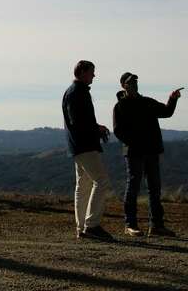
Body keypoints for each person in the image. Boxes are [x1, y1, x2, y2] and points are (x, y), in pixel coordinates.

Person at [112, 72, 182, 237]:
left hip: (151, 151)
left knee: (154, 189)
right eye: (130, 82)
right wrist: (135, 143)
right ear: (123, 85)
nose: (134, 84)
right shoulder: (120, 106)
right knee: (133, 188)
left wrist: (173, 99)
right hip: (135, 152)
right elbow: (118, 131)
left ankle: (156, 226)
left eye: (135, 81)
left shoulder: (147, 102)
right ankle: (130, 225)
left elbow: (166, 112)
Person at [62, 59, 113, 241]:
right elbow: (78, 121)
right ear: (82, 72)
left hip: (77, 145)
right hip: (85, 145)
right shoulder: (77, 93)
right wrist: (96, 129)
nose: (94, 75)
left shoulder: (73, 92)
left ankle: (82, 227)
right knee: (101, 181)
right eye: (92, 71)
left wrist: (95, 127)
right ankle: (92, 226)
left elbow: (77, 121)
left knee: (82, 186)